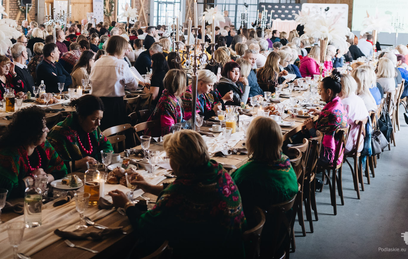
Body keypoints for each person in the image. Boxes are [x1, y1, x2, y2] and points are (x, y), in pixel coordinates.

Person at [108, 130, 246, 258]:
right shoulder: (218, 171)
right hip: (233, 248)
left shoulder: (178, 194)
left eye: (170, 157)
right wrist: (149, 187)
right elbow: (190, 189)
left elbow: (145, 227)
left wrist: (126, 204)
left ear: (179, 163)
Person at [0, 107, 67, 198]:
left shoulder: (43, 145)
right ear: (33, 133)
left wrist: (45, 178)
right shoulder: (9, 154)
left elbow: (62, 168)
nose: (48, 130)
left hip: (30, 199)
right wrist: (32, 178)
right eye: (44, 127)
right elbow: (4, 192)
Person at [232, 116, 298, 214]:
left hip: (260, 220)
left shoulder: (247, 175)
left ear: (252, 142)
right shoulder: (285, 161)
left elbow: (232, 193)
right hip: (285, 217)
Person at [48, 95, 113, 171]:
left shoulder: (93, 129)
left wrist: (95, 160)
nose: (98, 123)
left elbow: (107, 147)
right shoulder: (60, 133)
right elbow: (51, 166)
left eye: (100, 119)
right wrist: (77, 164)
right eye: (94, 119)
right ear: (81, 117)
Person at [90, 36, 141, 130]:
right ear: (120, 49)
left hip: (96, 104)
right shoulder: (121, 64)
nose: (125, 52)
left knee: (101, 131)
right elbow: (134, 86)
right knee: (116, 132)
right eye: (125, 49)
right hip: (114, 104)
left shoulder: (97, 62)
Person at [298, 70, 348, 167]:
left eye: (321, 90)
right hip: (337, 151)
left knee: (291, 147)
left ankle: (303, 174)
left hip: (326, 155)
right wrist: (320, 113)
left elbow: (318, 139)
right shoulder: (338, 103)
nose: (319, 93)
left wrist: (311, 128)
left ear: (329, 91)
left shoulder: (329, 114)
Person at [147, 69, 186, 136]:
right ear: (179, 86)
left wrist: (189, 124)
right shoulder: (166, 103)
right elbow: (168, 130)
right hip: (160, 139)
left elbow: (180, 122)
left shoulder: (173, 98)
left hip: (173, 134)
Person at [339, 74, 368, 153]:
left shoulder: (345, 103)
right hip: (359, 141)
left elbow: (338, 123)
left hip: (346, 142)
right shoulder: (359, 99)